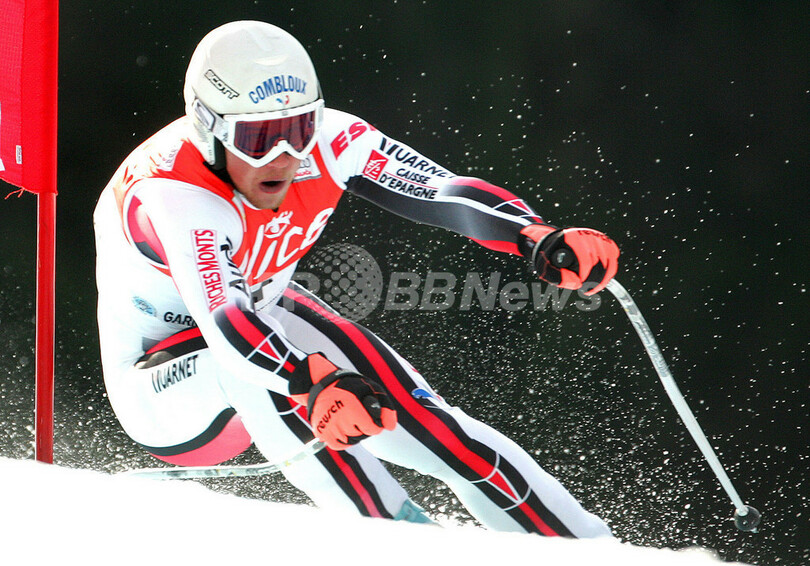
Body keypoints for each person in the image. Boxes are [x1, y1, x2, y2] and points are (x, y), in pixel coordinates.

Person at [93, 20, 619, 536]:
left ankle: (590, 549)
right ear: (210, 128)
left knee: (427, 421)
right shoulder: (175, 191)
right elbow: (227, 323)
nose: (282, 158)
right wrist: (311, 378)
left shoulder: (331, 139)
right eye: (257, 140)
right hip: (160, 387)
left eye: (297, 131)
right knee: (262, 366)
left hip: (265, 320)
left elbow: (438, 188)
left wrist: (534, 234)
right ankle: (396, 535)